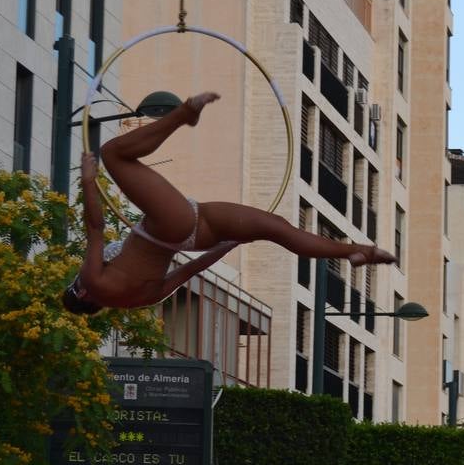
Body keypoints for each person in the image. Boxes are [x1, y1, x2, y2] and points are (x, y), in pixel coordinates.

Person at [64, 94, 393, 314]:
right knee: (111, 154)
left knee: (276, 228)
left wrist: (230, 243)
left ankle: (359, 251)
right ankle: (183, 115)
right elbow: (96, 227)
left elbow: (192, 268)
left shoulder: (137, 301)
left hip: (195, 237)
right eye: (76, 284)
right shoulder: (94, 282)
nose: (79, 279)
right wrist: (89, 181)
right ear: (83, 295)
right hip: (170, 224)